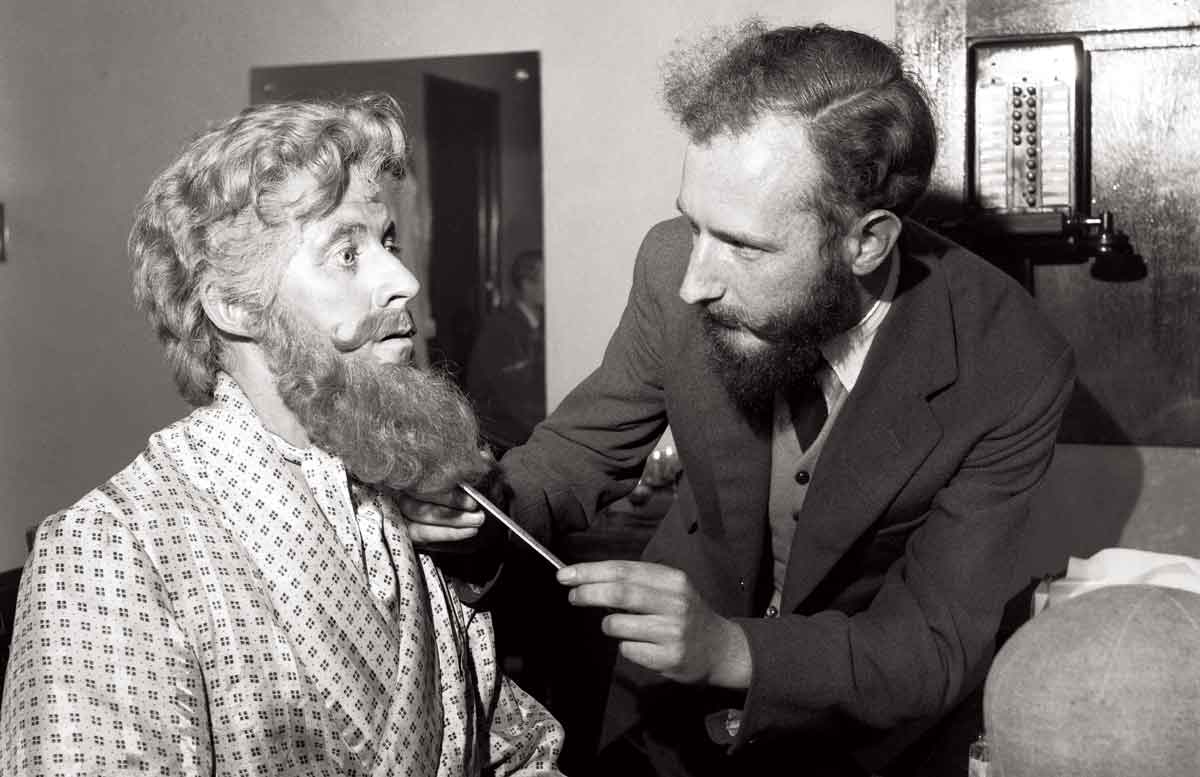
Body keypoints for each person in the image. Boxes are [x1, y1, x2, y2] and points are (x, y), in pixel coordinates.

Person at [490, 21, 1076, 777]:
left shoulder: (1011, 362)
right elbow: (578, 452)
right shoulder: (674, 264)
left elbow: (931, 642)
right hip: (663, 726)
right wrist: (482, 513)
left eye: (743, 246)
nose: (696, 280)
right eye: (693, 222)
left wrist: (728, 647)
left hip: (860, 742)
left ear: (866, 243)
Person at [0, 95, 564, 776]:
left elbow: (507, 741)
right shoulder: (111, 550)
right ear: (236, 305)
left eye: (388, 243)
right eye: (348, 252)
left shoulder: (405, 490)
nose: (405, 280)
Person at [467, 249, 547, 454]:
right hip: (502, 440)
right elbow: (514, 402)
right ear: (527, 285)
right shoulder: (500, 330)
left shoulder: (545, 326)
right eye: (547, 279)